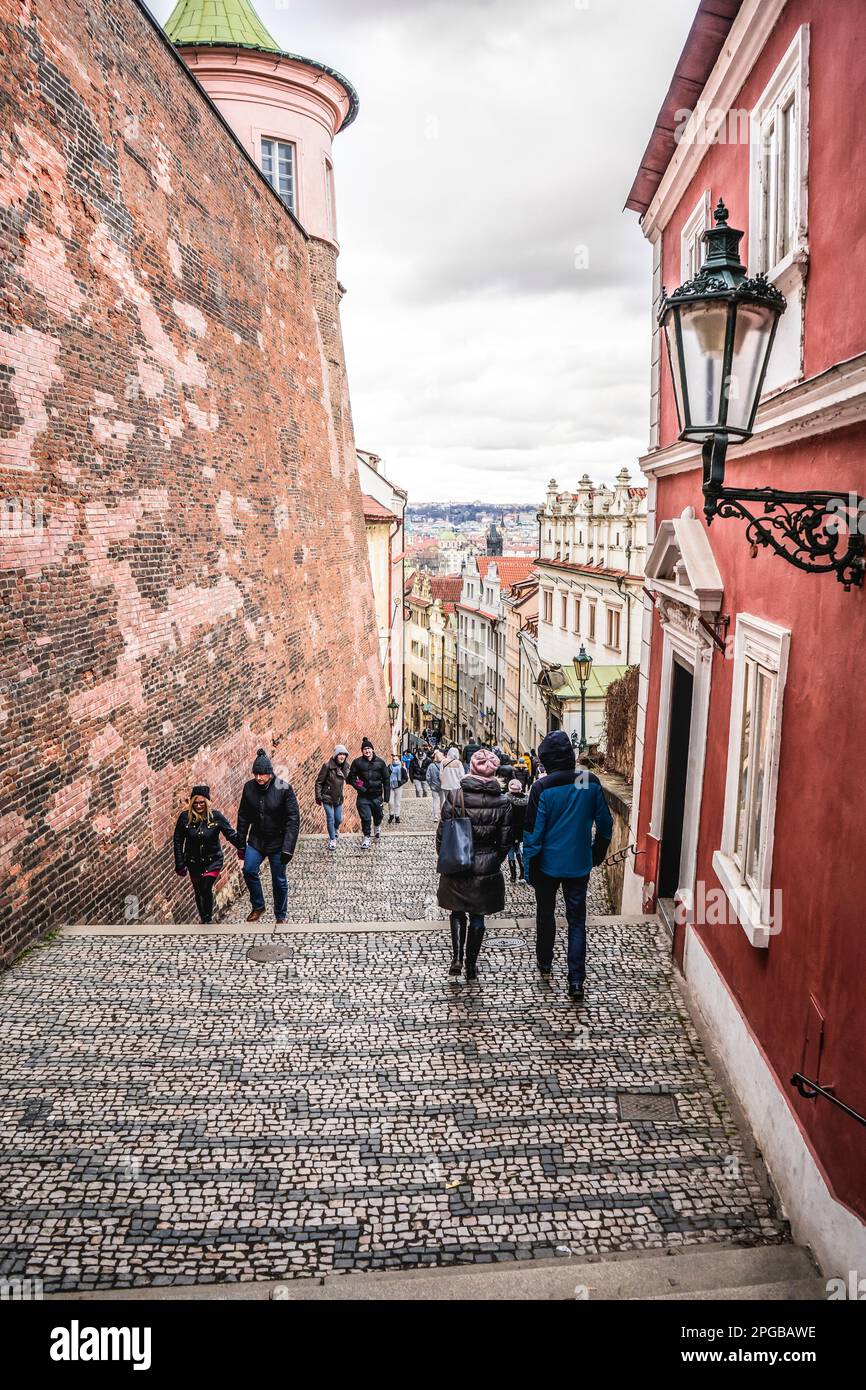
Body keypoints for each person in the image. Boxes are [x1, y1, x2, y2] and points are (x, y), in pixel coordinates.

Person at [522, 731, 612, 1002]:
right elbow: (605, 824)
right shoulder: (587, 781)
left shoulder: (543, 787)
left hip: (547, 865)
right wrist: (597, 851)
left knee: (545, 915)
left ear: (546, 760)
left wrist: (529, 868)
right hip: (579, 863)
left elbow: (532, 833)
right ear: (571, 756)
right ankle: (575, 981)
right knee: (577, 922)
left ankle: (545, 962)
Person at [436, 748, 512, 981]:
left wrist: (448, 856)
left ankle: (457, 957)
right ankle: (471, 965)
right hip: (486, 864)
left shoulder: (456, 796)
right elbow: (505, 842)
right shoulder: (502, 801)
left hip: (458, 862)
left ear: (471, 768)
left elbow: (441, 835)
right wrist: (492, 861)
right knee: (478, 917)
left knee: (457, 910)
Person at [236, 750, 300, 924]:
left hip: (278, 842)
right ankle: (258, 905)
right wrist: (240, 845)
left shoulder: (283, 788)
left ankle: (280, 915)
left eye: (262, 774)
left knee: (278, 879)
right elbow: (243, 817)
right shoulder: (249, 788)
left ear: (270, 774)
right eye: (256, 774)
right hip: (256, 840)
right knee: (248, 870)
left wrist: (288, 847)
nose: (258, 777)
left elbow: (293, 819)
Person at [173, 785, 240, 924]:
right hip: (193, 862)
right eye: (196, 803)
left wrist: (243, 847)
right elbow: (178, 841)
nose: (198, 806)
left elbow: (230, 834)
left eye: (202, 802)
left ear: (207, 802)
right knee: (198, 891)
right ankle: (204, 918)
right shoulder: (185, 818)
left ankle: (208, 918)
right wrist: (179, 863)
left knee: (205, 887)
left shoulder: (216, 817)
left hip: (213, 860)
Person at [347, 737, 391, 848]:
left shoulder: (380, 763)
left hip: (377, 796)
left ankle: (377, 826)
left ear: (372, 749)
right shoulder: (357, 762)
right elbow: (350, 779)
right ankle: (366, 837)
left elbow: (386, 779)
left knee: (379, 816)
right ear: (362, 751)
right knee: (366, 818)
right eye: (365, 749)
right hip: (363, 797)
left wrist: (386, 797)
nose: (367, 751)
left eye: (369, 748)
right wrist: (360, 787)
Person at [315, 744, 349, 851]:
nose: (342, 756)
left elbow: (351, 779)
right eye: (340, 754)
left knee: (338, 819)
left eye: (344, 754)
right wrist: (318, 796)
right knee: (330, 818)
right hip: (327, 797)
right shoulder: (327, 766)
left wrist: (361, 784)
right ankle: (332, 840)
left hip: (338, 798)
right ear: (335, 755)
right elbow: (319, 782)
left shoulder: (346, 767)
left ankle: (336, 829)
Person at [505, 777, 528, 884]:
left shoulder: (506, 798)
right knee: (518, 848)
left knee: (510, 851)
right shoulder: (526, 799)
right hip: (521, 829)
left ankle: (513, 875)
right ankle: (522, 871)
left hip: (510, 829)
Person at [388, 752, 408, 824]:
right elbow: (386, 776)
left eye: (396, 759)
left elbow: (406, 778)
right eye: (393, 759)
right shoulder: (389, 767)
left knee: (397, 802)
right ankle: (391, 814)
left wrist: (400, 783)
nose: (395, 761)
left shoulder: (401, 769)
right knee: (390, 802)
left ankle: (397, 816)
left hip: (398, 787)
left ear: (399, 760)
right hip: (390, 786)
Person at [426, 748, 444, 818]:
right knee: (442, 801)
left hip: (434, 786)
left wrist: (430, 784)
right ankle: (442, 815)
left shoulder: (431, 766)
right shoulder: (444, 765)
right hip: (442, 786)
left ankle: (435, 816)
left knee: (435, 801)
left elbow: (428, 777)